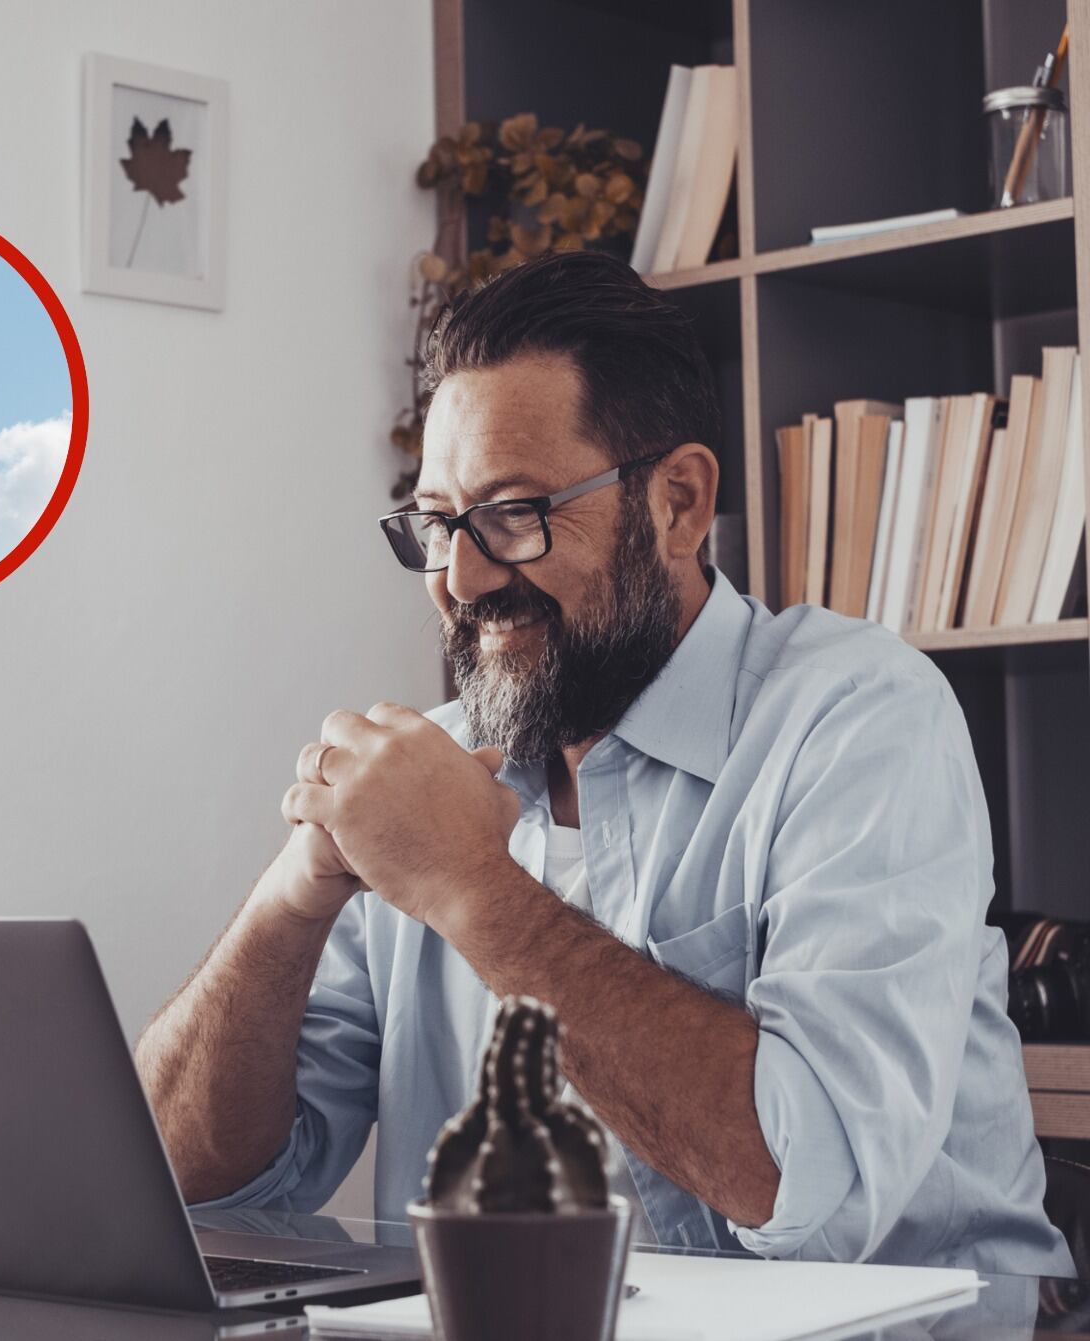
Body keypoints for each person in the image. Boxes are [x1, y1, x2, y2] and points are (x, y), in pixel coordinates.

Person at [133, 250, 1072, 1275]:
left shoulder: (856, 718)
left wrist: (470, 887)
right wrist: (293, 895)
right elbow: (187, 1182)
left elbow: (809, 1190)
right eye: (440, 523)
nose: (460, 577)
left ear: (675, 503)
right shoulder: (432, 775)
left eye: (514, 516)